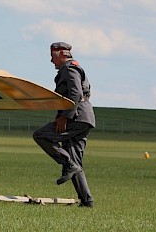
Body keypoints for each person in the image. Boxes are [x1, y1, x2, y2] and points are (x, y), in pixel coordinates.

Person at [33, 42, 96, 207]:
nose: (51, 61)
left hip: (76, 117)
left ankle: (68, 164)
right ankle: (86, 201)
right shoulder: (74, 67)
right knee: (76, 163)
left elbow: (75, 93)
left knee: (40, 135)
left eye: (53, 56)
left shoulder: (69, 69)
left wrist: (65, 117)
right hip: (84, 117)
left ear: (61, 54)